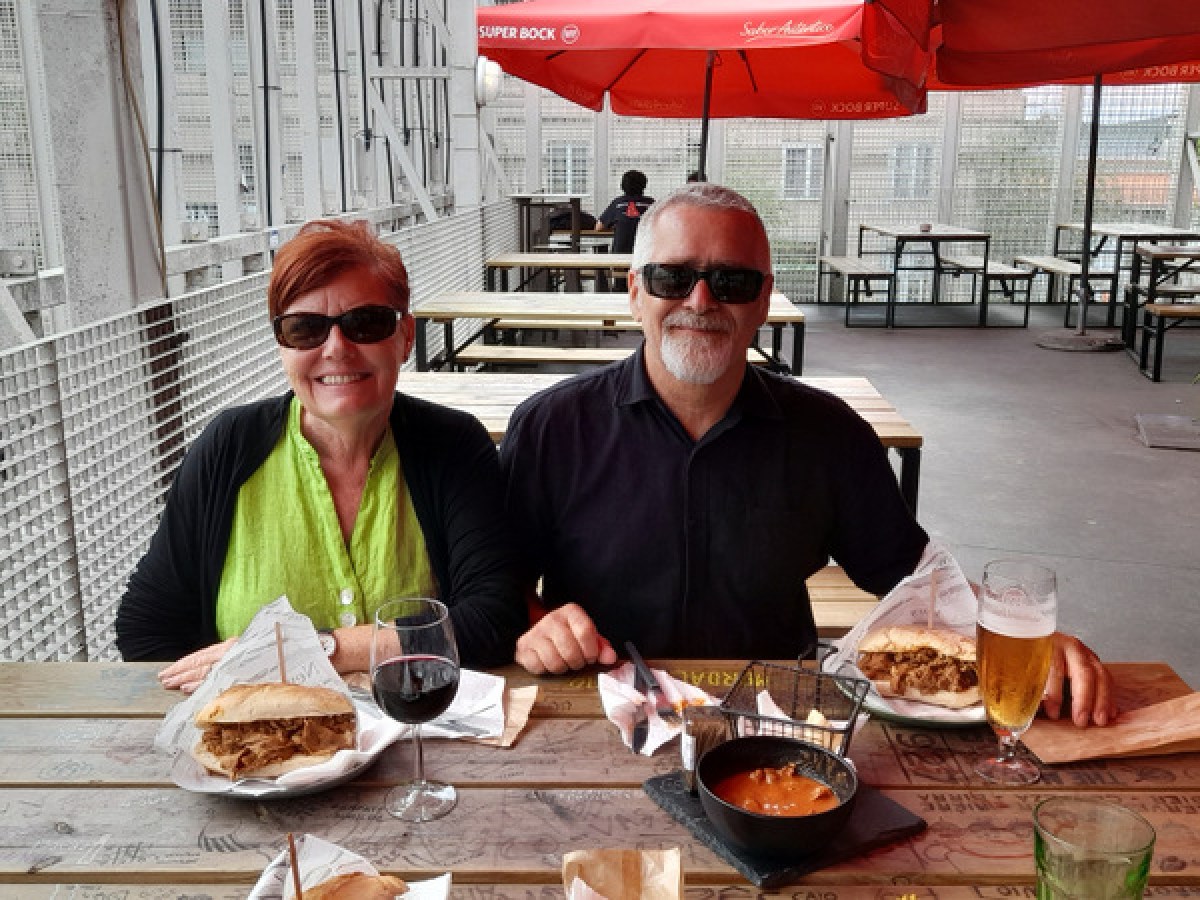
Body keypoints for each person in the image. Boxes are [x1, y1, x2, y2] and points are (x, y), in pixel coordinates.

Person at [500, 183, 1115, 728]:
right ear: (636, 293)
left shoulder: (828, 433)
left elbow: (916, 581)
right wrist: (536, 623)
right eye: (672, 278)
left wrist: (1019, 631)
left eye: (732, 282)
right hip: (594, 715)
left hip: (773, 719)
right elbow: (499, 583)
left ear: (763, 301)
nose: (700, 301)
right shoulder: (553, 428)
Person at [116, 219, 526, 692]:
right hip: (260, 750)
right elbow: (146, 629)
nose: (336, 349)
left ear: (406, 337)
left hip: (416, 739)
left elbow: (493, 616)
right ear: (281, 344)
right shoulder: (228, 447)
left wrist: (310, 649)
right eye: (305, 328)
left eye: (365, 323)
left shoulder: (453, 443)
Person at [598, 169, 654, 255]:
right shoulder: (651, 204)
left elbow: (598, 227)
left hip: (619, 254)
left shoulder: (617, 203)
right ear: (644, 185)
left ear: (622, 186)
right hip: (644, 255)